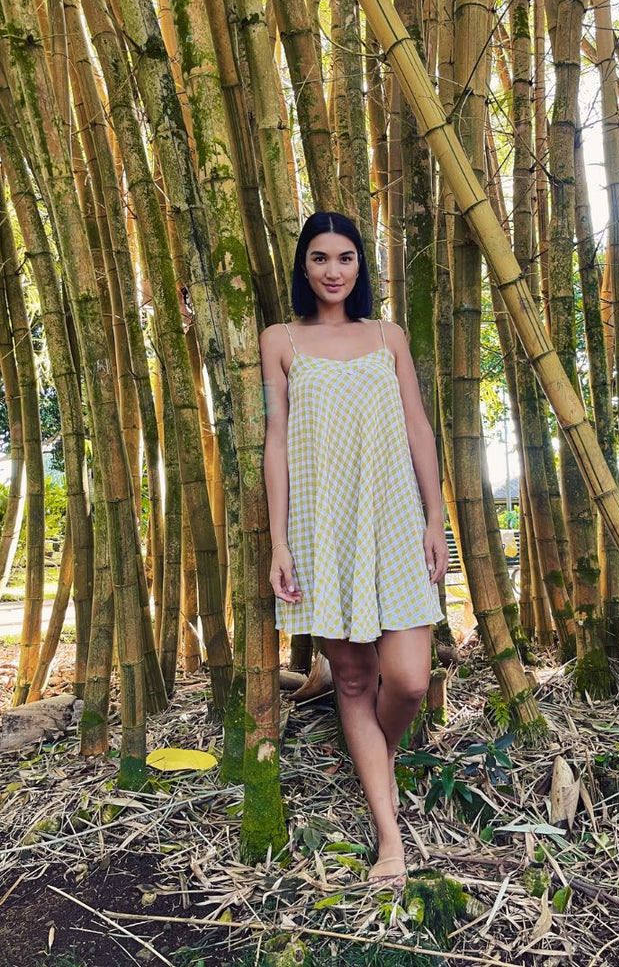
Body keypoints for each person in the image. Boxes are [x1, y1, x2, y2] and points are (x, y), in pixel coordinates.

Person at [260, 212, 448, 887]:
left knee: (408, 681)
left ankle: (375, 756)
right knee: (352, 680)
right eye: (319, 258)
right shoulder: (280, 340)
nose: (333, 270)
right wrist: (281, 539)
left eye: (345, 257)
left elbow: (419, 428)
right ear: (302, 266)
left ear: (360, 264)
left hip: (394, 518)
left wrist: (436, 517)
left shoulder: (386, 336)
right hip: (324, 526)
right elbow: (276, 440)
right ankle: (389, 837)